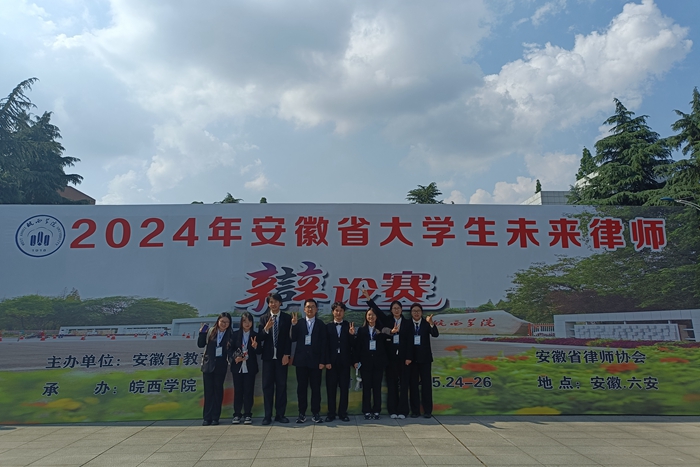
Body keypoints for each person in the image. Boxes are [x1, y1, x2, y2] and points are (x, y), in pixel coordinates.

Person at [362, 289, 412, 420]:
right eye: (394, 308)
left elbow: (410, 342)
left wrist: (409, 357)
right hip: (390, 358)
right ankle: (393, 410)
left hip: (404, 358)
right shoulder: (387, 320)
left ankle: (403, 410)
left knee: (404, 385)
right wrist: (369, 299)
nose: (396, 310)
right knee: (391, 384)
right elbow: (377, 311)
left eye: (398, 308)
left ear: (401, 310)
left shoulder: (407, 323)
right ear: (391, 310)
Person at [257, 292, 292, 425]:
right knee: (267, 386)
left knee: (281, 386)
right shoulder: (263, 318)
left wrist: (287, 354)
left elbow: (289, 338)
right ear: (268, 304)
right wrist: (266, 329)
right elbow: (259, 338)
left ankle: (280, 415)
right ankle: (267, 415)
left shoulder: (286, 318)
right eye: (271, 302)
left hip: (281, 357)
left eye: (276, 301)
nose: (273, 304)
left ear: (280, 303)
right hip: (268, 358)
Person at [291, 299, 327, 423]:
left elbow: (324, 344)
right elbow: (292, 338)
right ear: (304, 309)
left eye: (312, 307)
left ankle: (315, 413)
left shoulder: (321, 324)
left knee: (315, 388)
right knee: (301, 388)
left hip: (316, 362)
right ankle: (302, 413)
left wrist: (322, 361)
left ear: (316, 309)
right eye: (308, 307)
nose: (310, 309)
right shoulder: (299, 323)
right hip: (301, 361)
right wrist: (294, 325)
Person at [353, 308, 390, 420]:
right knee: (366, 388)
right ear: (366, 316)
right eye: (369, 315)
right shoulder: (361, 330)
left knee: (377, 388)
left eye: (373, 315)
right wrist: (356, 361)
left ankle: (377, 410)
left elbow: (386, 344)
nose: (371, 317)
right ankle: (367, 410)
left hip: (378, 363)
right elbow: (357, 347)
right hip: (365, 363)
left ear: (376, 317)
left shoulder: (381, 329)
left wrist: (383, 334)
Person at [197, 312, 233, 426]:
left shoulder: (230, 334)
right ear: (218, 321)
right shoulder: (210, 331)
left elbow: (231, 351)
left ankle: (215, 417)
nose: (224, 324)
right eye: (222, 321)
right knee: (208, 392)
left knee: (218, 391)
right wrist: (202, 333)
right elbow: (200, 344)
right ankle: (206, 417)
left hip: (221, 366)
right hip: (208, 365)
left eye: (227, 322)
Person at [324, 301, 355, 422]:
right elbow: (325, 346)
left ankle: (343, 413)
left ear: (344, 312)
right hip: (331, 363)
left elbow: (353, 346)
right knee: (331, 389)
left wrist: (352, 335)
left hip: (344, 362)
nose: (338, 313)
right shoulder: (328, 327)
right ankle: (331, 413)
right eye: (336, 310)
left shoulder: (348, 326)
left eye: (341, 310)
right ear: (333, 312)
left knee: (344, 389)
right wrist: (326, 361)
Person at [408, 303, 439, 418]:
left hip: (425, 359)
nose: (416, 313)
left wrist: (431, 323)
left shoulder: (426, 324)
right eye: (414, 311)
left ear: (421, 312)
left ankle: (427, 411)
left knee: (426, 385)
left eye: (418, 311)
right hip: (412, 360)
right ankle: (415, 411)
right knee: (413, 386)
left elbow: (435, 334)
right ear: (411, 313)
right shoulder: (407, 324)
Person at [230, 312, 259, 425]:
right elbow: (230, 349)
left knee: (248, 391)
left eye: (249, 321)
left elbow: (260, 351)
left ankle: (248, 414)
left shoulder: (255, 335)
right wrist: (235, 357)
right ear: (241, 323)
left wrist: (256, 347)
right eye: (245, 321)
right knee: (238, 391)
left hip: (250, 367)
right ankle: (237, 414)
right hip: (237, 366)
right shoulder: (235, 334)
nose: (247, 324)